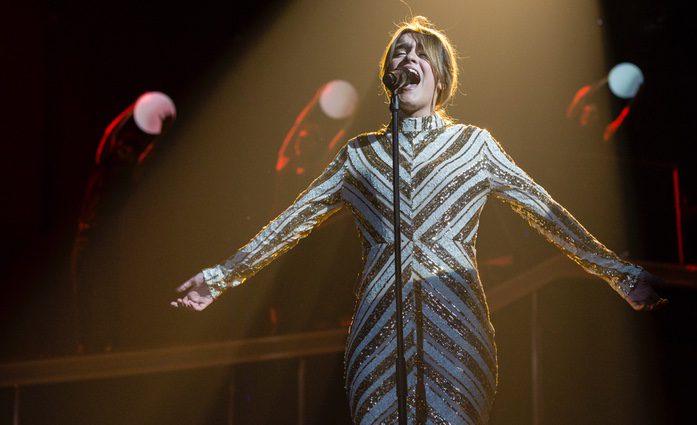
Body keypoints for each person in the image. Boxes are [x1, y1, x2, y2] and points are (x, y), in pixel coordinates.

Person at [172, 16, 667, 425]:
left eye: (418, 52)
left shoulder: (474, 145)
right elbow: (290, 222)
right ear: (387, 74)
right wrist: (220, 278)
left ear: (441, 77)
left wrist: (619, 275)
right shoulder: (359, 155)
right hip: (376, 333)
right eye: (397, 52)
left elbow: (547, 213)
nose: (405, 58)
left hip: (458, 334)